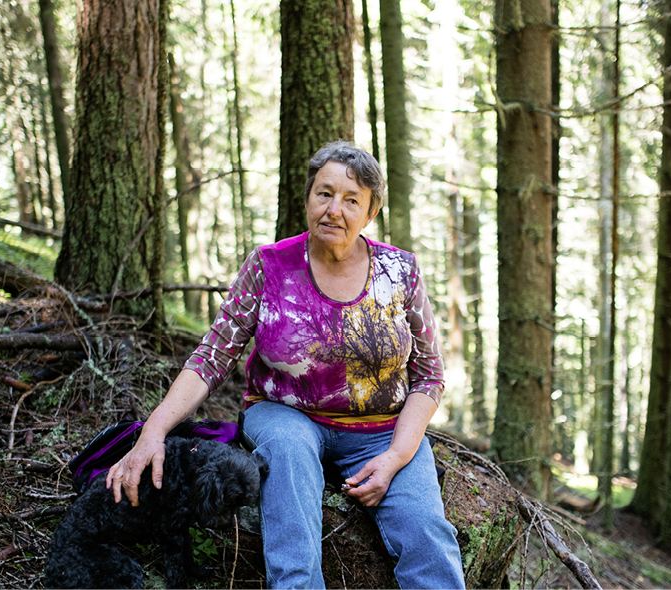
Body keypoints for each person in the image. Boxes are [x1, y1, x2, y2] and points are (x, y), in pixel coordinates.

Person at [106, 140, 465, 589]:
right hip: (286, 416)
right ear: (308, 198)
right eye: (324, 194)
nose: (334, 210)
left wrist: (396, 456)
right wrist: (153, 430)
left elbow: (429, 375)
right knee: (290, 457)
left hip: (381, 429)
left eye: (351, 200)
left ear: (371, 212)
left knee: (427, 538)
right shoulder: (269, 266)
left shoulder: (400, 272)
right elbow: (212, 357)